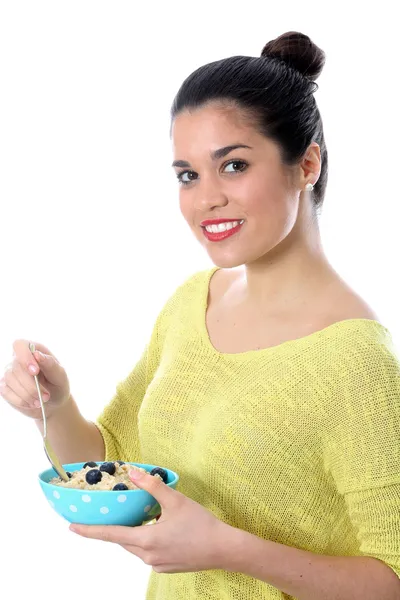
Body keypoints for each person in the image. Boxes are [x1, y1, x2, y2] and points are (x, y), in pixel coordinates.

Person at [1, 31, 399, 600]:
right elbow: (115, 465)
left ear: (306, 164)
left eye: (233, 166)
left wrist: (226, 547)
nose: (205, 199)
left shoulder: (355, 362)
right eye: (187, 175)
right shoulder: (194, 301)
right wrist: (55, 406)